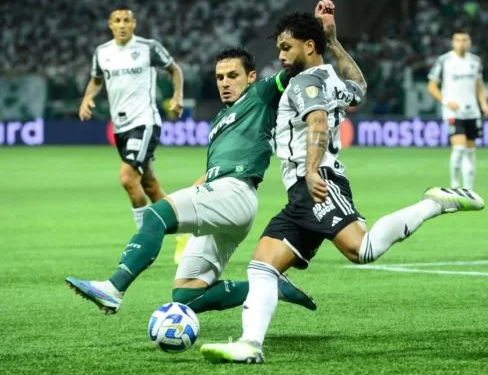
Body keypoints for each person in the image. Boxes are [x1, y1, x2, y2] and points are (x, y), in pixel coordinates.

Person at [199, 1, 485, 364]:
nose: (281, 56)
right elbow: (359, 87)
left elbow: (317, 123)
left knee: (362, 250)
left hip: (317, 182)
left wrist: (311, 171)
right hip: (302, 193)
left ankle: (434, 203)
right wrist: (333, 42)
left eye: (286, 47)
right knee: (262, 266)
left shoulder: (304, 82)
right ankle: (250, 345)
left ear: (309, 46)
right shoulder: (331, 78)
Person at [66, 47, 316, 315]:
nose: (225, 83)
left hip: (236, 191)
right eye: (220, 77)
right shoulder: (219, 120)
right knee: (187, 294)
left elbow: (295, 67)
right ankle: (271, 286)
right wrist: (186, 198)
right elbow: (212, 172)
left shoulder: (260, 94)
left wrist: (317, 38)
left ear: (251, 76)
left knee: (155, 215)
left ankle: (113, 288)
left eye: (233, 76)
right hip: (223, 196)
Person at [79, 5, 184, 234]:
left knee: (127, 178)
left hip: (144, 121)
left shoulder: (148, 47)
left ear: (134, 23)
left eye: (126, 20)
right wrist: (87, 98)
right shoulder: (102, 52)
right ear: (110, 25)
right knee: (150, 185)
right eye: (117, 21)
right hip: (120, 128)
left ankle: (144, 238)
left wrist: (177, 96)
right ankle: (184, 233)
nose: (122, 25)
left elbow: (174, 70)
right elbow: (96, 79)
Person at [427, 31, 488, 189]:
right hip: (453, 112)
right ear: (452, 42)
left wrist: (484, 103)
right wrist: (446, 101)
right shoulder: (444, 60)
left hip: (472, 111)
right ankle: (455, 186)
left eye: (464, 40)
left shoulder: (475, 61)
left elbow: (479, 85)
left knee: (470, 152)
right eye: (457, 40)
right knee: (459, 148)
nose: (461, 43)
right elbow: (431, 86)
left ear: (469, 42)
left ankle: (469, 190)